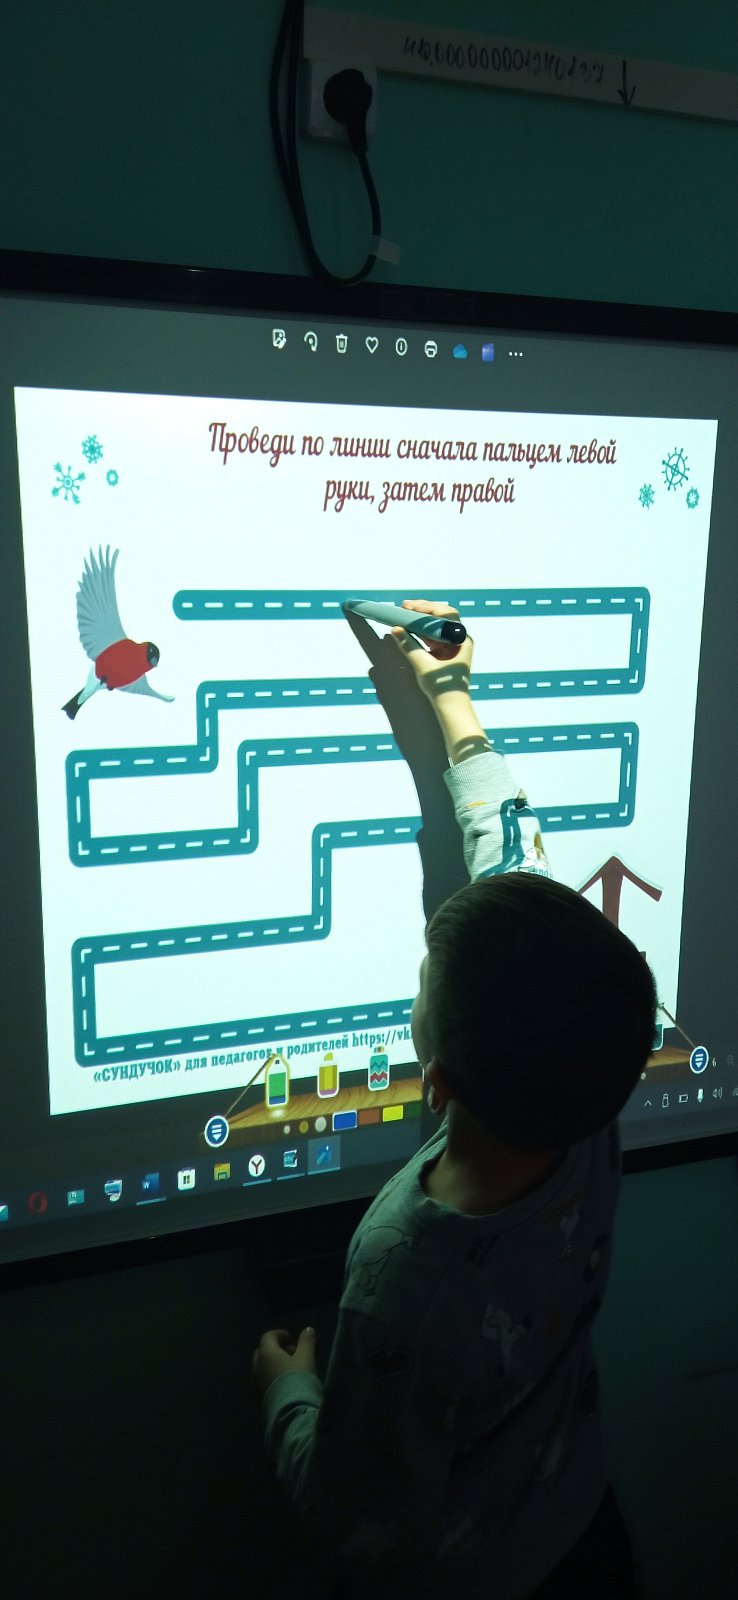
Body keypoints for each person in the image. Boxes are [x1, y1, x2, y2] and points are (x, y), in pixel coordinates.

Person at [251, 600, 654, 1599]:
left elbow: (350, 1515)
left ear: (433, 1084)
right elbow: (514, 864)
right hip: (583, 1529)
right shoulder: (589, 1113)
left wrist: (289, 1392)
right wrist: (452, 695)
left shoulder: (404, 1270)